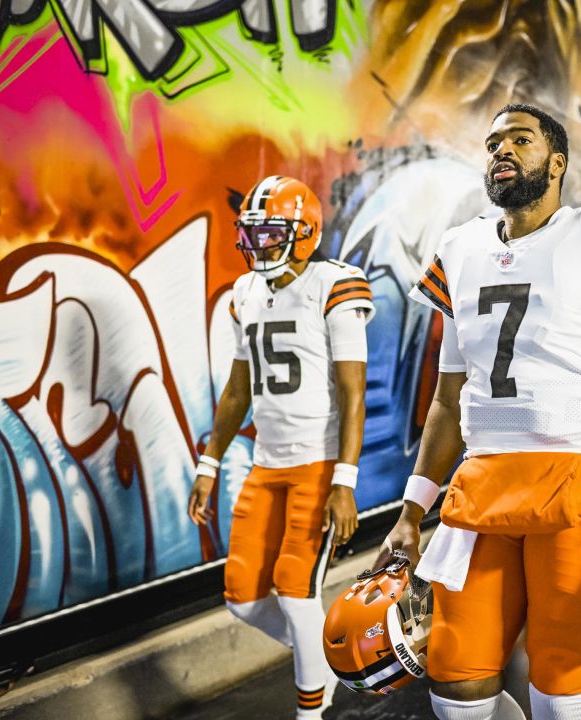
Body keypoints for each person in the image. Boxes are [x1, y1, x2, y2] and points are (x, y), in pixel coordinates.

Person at [376, 104, 581, 720]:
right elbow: (446, 398)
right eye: (492, 143)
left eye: (521, 138)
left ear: (558, 162)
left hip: (579, 484)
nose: (502, 150)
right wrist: (411, 513)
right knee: (455, 684)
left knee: (563, 696)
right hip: (481, 487)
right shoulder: (460, 248)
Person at [187, 175, 374, 719]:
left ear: (305, 233)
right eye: (252, 233)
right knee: (242, 598)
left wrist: (345, 481)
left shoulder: (334, 285)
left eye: (271, 233)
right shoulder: (245, 294)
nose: (258, 244)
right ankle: (330, 658)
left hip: (316, 464)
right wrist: (209, 460)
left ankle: (310, 711)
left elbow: (352, 392)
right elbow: (237, 388)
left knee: (296, 592)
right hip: (266, 464)